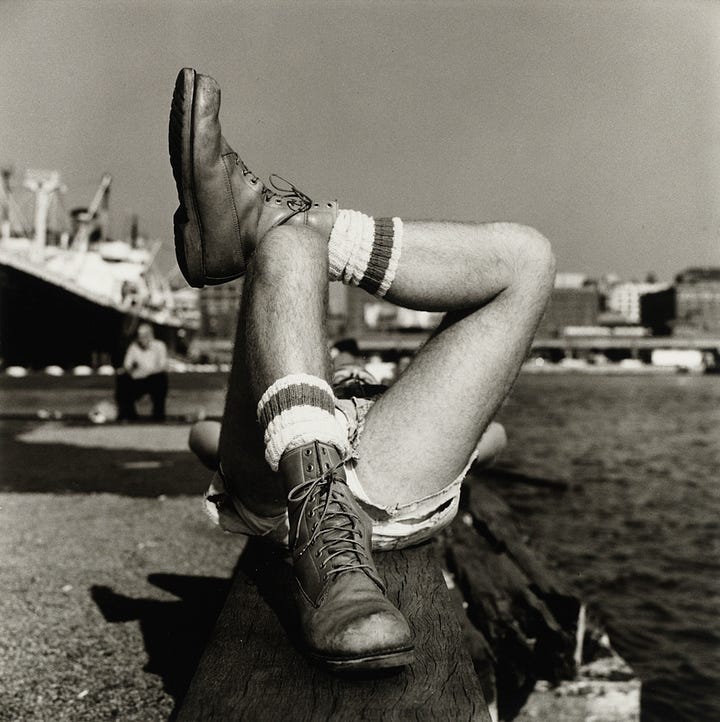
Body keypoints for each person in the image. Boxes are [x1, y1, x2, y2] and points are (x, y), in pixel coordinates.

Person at [169, 68, 555, 671]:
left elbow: (204, 440)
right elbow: (490, 442)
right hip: (292, 484)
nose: (341, 364)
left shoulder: (375, 399)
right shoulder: (313, 375)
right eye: (336, 360)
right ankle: (289, 227)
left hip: (374, 472)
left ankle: (271, 222)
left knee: (529, 257)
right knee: (289, 248)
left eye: (342, 362)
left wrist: (411, 417)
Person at [115, 323, 168, 421]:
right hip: (138, 379)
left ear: (151, 335)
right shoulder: (134, 347)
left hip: (154, 378)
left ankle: (158, 416)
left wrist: (145, 373)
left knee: (161, 379)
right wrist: (133, 372)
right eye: (140, 336)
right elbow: (127, 365)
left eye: (144, 336)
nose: (141, 339)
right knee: (122, 379)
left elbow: (162, 366)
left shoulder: (159, 346)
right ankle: (129, 415)